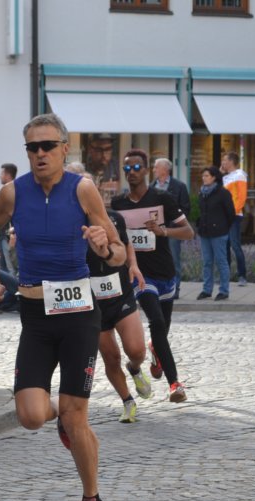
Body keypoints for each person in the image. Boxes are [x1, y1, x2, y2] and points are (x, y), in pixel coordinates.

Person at [0, 113, 126, 501]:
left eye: (47, 146)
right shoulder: (12, 193)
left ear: (64, 148)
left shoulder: (83, 189)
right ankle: (63, 414)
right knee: (28, 416)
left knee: (77, 416)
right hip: (35, 315)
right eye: (33, 147)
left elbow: (118, 252)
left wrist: (104, 247)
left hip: (79, 313)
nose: (40, 154)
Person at [111, 149, 193, 403]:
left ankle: (155, 352)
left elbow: (188, 232)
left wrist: (163, 231)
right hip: (139, 275)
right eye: (127, 168)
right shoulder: (118, 204)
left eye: (136, 168)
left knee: (162, 330)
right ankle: (175, 384)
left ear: (146, 170)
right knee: (156, 322)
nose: (131, 173)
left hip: (165, 273)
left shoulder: (162, 198)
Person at [92, 208, 150, 423]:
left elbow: (126, 244)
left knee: (136, 350)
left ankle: (134, 368)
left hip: (121, 295)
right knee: (111, 357)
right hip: (93, 303)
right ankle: (127, 401)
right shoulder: (70, 221)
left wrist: (133, 265)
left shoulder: (113, 218)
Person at [151, 157, 192, 299]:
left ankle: (175, 289)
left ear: (165, 169)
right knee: (156, 260)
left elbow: (185, 208)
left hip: (173, 231)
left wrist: (176, 225)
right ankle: (159, 288)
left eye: (156, 167)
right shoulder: (151, 186)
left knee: (174, 260)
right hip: (155, 231)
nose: (154, 170)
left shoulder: (179, 186)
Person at [195, 165, 234, 300]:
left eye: (206, 176)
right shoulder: (202, 192)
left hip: (219, 233)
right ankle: (207, 290)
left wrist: (223, 227)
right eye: (203, 175)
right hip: (205, 232)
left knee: (221, 261)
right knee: (207, 262)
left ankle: (224, 290)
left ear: (214, 177)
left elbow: (230, 213)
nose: (203, 178)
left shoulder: (223, 193)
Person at [220, 152, 249, 286]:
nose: (222, 163)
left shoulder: (239, 175)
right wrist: (219, 174)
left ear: (231, 161)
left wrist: (232, 213)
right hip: (223, 216)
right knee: (225, 245)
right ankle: (225, 276)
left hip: (234, 216)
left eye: (224, 160)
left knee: (235, 245)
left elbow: (242, 198)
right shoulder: (225, 177)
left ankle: (242, 276)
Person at [0, 163, 19, 275]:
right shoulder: (10, 190)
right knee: (5, 269)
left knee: (10, 270)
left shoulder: (11, 191)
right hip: (4, 236)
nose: (0, 176)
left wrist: (12, 232)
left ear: (8, 175)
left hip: (8, 237)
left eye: (2, 173)